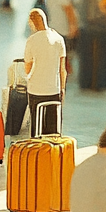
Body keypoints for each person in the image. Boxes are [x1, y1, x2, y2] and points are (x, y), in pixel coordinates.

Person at [23, 8, 67, 136]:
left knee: (37, 126)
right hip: (54, 89)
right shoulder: (58, 39)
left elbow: (27, 68)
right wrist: (62, 88)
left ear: (31, 23)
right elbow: (62, 69)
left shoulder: (31, 40)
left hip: (35, 90)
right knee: (53, 128)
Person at [43, 0, 78, 74]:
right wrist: (73, 24)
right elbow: (67, 7)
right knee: (65, 51)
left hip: (54, 23)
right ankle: (64, 70)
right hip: (62, 24)